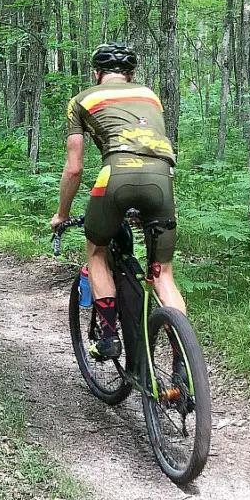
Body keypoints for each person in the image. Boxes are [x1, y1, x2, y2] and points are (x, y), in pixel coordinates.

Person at [50, 42, 186, 360]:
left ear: (96, 74)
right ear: (131, 75)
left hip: (116, 176)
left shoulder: (82, 100)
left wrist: (61, 214)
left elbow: (74, 168)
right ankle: (184, 357)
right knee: (163, 272)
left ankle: (109, 337)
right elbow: (148, 144)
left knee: (96, 251)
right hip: (162, 179)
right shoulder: (150, 96)